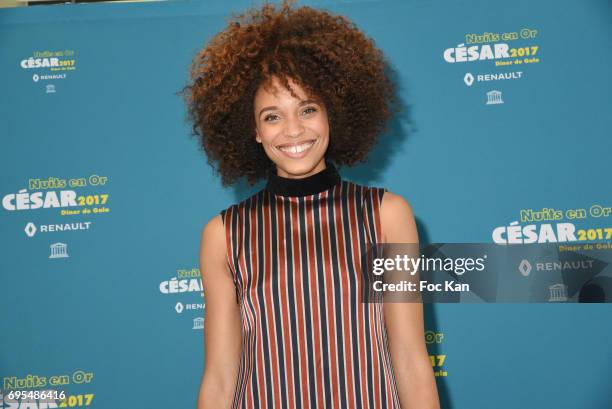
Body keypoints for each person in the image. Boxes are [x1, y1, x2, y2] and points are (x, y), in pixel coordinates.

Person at [181, 1, 440, 408]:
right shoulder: (223, 235)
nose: (294, 130)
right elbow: (219, 376)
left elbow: (409, 358)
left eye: (307, 109)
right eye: (272, 117)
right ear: (252, 130)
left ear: (331, 114)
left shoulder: (387, 215)